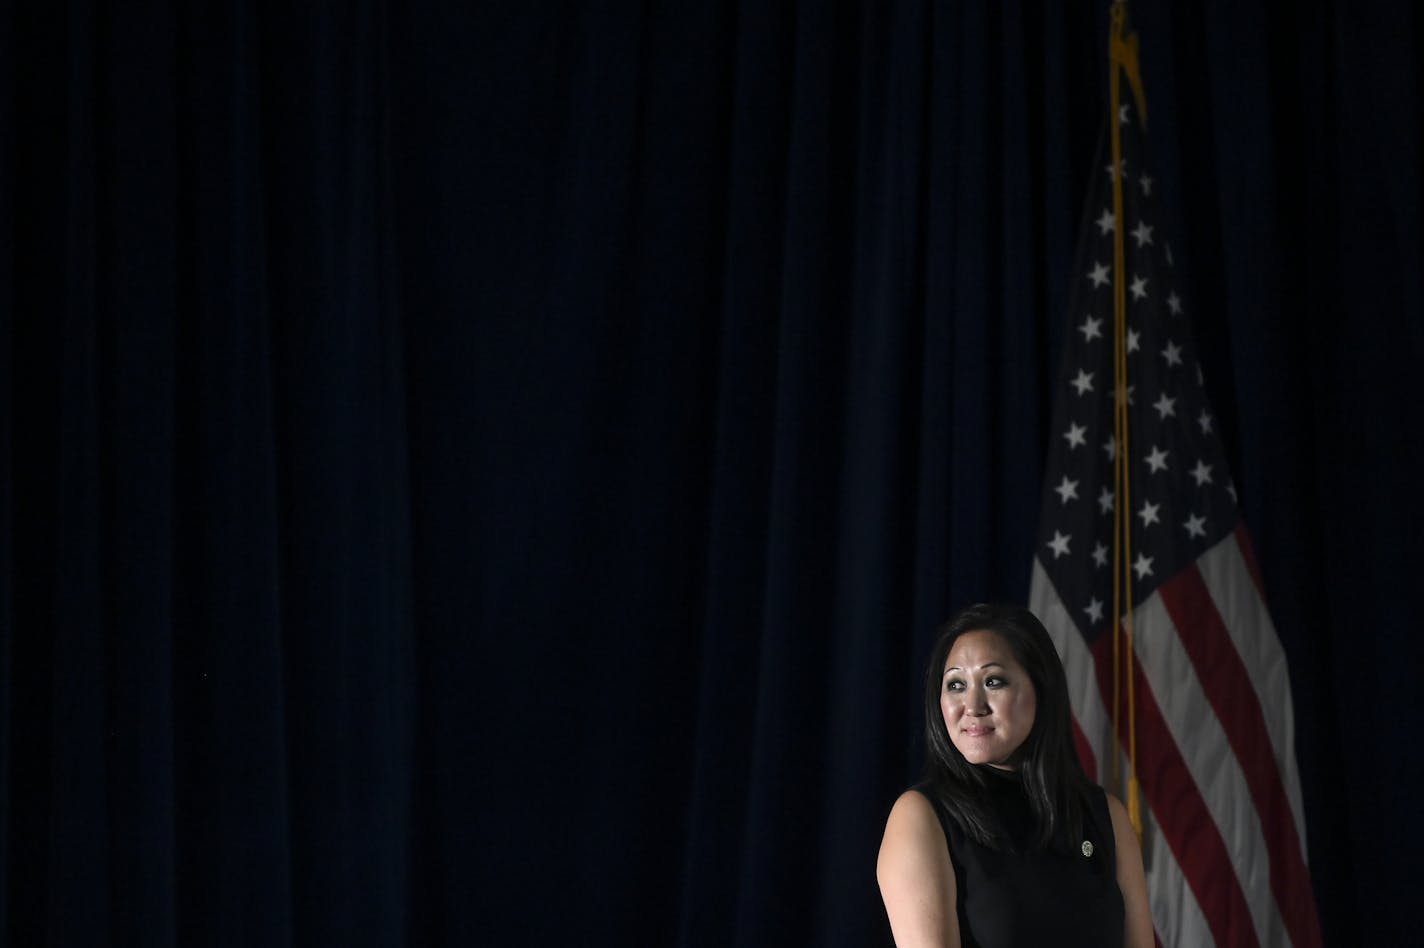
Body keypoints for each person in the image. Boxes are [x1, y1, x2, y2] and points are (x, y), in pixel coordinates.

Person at [877, 603, 1153, 948]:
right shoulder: (921, 816)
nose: (973, 705)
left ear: (1041, 689)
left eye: (993, 681)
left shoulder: (1104, 815)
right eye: (956, 685)